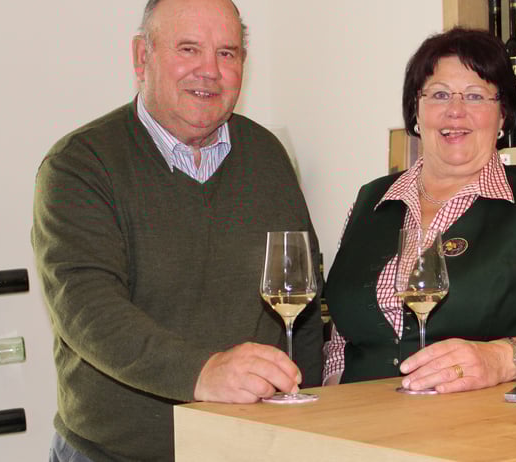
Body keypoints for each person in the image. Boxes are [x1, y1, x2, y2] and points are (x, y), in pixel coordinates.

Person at [32, 0, 322, 460]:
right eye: (188, 49)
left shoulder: (267, 155)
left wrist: (310, 416)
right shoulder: (80, 165)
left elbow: (302, 299)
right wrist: (201, 372)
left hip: (249, 448)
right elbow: (87, 309)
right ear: (141, 57)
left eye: (226, 53)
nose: (209, 70)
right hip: (114, 453)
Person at [323, 27, 516, 392]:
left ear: (502, 115)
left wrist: (498, 360)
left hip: (483, 420)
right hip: (361, 420)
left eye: (475, 96)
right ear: (416, 110)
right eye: (440, 94)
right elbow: (341, 343)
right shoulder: (369, 201)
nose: (455, 112)